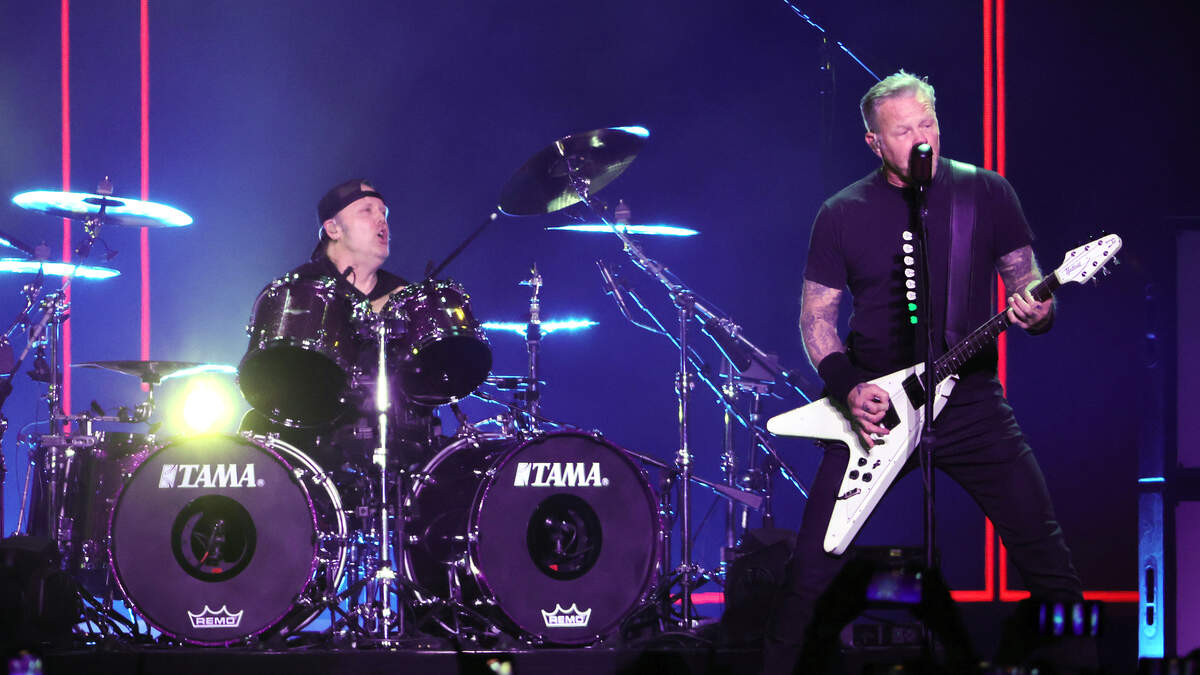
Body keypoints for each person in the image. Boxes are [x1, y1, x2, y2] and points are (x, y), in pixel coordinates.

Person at [762, 72, 1090, 672]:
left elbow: (1027, 287)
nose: (920, 140)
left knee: (1048, 560)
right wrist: (848, 388)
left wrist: (1039, 310)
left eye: (927, 124)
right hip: (874, 409)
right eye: (902, 131)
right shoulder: (841, 213)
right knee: (810, 571)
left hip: (972, 405)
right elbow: (816, 319)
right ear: (873, 142)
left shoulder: (985, 192)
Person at [240, 178, 439, 471]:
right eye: (367, 211)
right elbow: (274, 381)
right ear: (333, 229)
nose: (381, 220)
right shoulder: (299, 290)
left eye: (383, 213)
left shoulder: (402, 293)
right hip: (308, 443)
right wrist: (368, 312)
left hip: (392, 445)